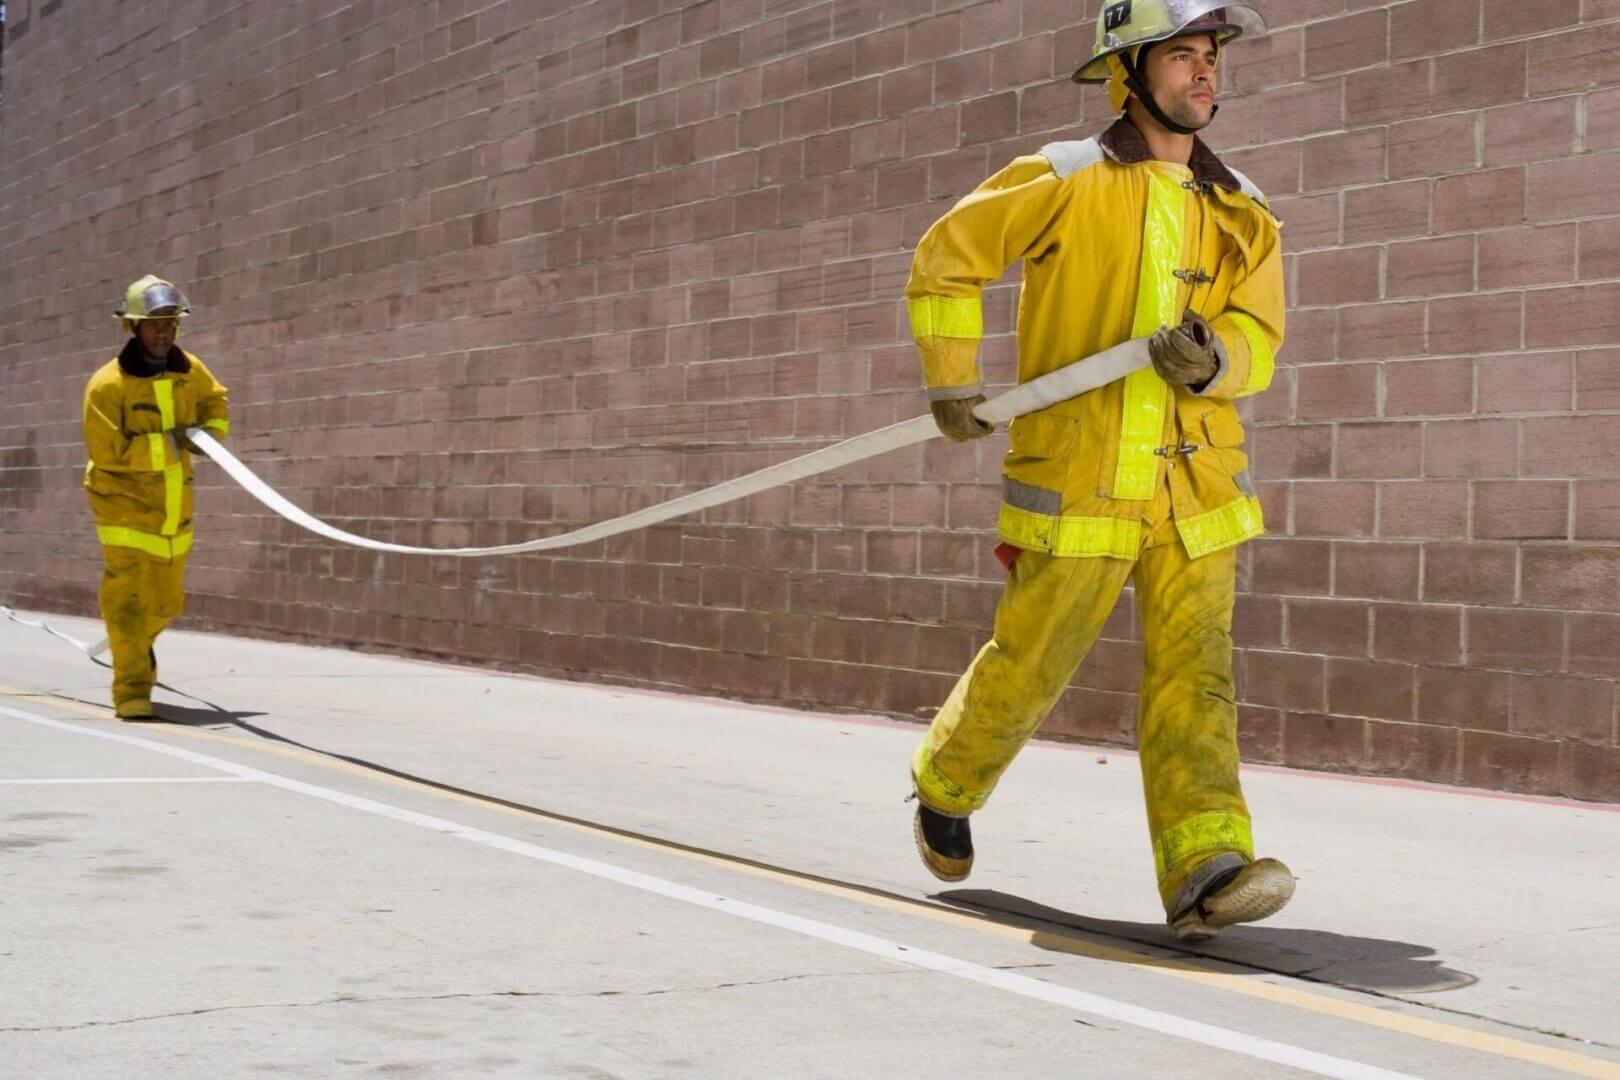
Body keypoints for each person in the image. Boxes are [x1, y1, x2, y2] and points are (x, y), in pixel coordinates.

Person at [904, 2, 1292, 941]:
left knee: (1197, 678)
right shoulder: (1064, 178)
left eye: (1212, 59)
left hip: (1198, 490)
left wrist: (1216, 361)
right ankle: (946, 786)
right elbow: (946, 260)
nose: (1206, 74)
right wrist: (955, 385)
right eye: (1184, 57)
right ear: (1128, 70)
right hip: (1081, 481)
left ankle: (1207, 867)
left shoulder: (1240, 206)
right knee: (1033, 662)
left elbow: (1260, 335)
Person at [82, 275, 229, 720]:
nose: (164, 332)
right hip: (123, 509)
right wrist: (173, 442)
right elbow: (109, 452)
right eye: (154, 324)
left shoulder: (191, 372)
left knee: (168, 604)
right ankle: (131, 692)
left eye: (170, 323)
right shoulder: (107, 386)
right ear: (133, 327)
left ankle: (132, 648)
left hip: (173, 510)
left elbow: (216, 405)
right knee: (126, 603)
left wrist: (208, 437)